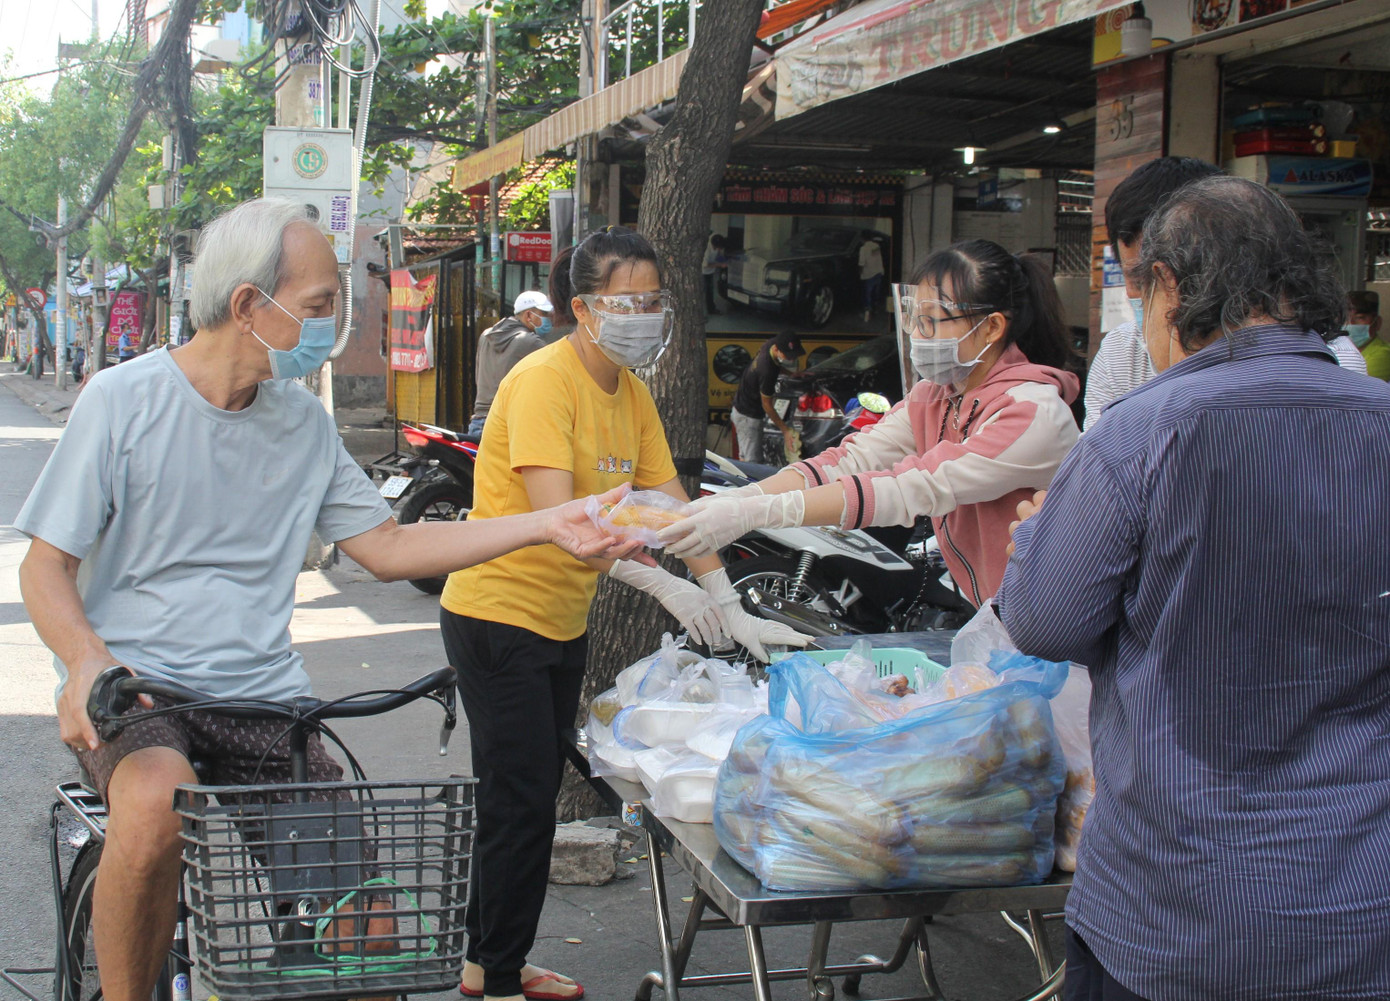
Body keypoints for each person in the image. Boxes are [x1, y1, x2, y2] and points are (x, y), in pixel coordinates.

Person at [14, 198, 644, 1001]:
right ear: (250, 305)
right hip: (136, 690)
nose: (330, 326)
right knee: (152, 802)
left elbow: (388, 547)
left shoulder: (303, 424)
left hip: (263, 700)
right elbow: (45, 567)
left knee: (368, 930)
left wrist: (544, 523)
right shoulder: (121, 400)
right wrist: (84, 662)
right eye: (317, 306)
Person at [997, 176, 1390, 1001]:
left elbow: (1044, 621)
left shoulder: (1141, 431)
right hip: (1362, 903)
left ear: (1170, 287)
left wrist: (1036, 537)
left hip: (1175, 905)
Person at [441, 226, 809, 1001]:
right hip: (498, 615)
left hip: (560, 618)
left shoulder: (631, 392)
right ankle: (496, 975)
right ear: (582, 308)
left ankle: (490, 962)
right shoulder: (543, 382)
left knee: (526, 797)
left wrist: (725, 596)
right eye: (627, 302)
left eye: (653, 300)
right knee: (518, 798)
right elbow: (563, 521)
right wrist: (666, 588)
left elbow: (673, 507)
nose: (644, 315)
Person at [661, 238, 1080, 607]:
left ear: (991, 327)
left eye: (932, 320)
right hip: (992, 608)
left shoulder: (1032, 412)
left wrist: (755, 514)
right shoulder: (934, 396)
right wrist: (740, 500)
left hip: (1052, 615)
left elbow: (911, 487)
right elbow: (850, 461)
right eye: (915, 317)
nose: (919, 334)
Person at [1085, 157, 1223, 428]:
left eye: (1179, 278)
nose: (1164, 299)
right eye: (1139, 279)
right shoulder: (1121, 353)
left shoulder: (1287, 358)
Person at [470, 290, 553, 436]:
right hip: (506, 424)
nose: (549, 319)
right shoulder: (530, 342)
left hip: (478, 422)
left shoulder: (486, 336)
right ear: (528, 315)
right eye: (544, 314)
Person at [729, 329, 804, 464]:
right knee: (752, 463)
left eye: (793, 356)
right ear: (776, 350)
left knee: (745, 459)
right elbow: (767, 405)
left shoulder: (771, 344)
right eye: (788, 356)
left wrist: (790, 374)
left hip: (742, 409)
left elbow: (777, 366)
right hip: (748, 417)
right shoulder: (766, 370)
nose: (791, 359)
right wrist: (785, 430)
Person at [1347, 290, 1389, 379]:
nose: (1351, 323)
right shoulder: (1341, 349)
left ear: (1377, 323)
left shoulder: (1383, 355)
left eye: (1360, 318)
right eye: (1346, 318)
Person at [858, 235, 885, 323]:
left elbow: (861, 263)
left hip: (869, 274)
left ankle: (867, 315)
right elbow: (876, 259)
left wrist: (860, 273)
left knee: (867, 295)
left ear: (862, 239)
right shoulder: (876, 246)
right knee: (875, 293)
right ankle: (875, 310)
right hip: (878, 272)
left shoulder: (863, 248)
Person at [702, 233, 727, 314]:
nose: (719, 249)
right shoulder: (707, 250)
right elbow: (705, 265)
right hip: (703, 273)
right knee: (704, 291)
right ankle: (702, 311)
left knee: (710, 292)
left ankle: (711, 309)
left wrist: (723, 260)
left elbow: (718, 256)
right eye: (719, 248)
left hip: (710, 272)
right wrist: (719, 265)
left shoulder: (717, 249)